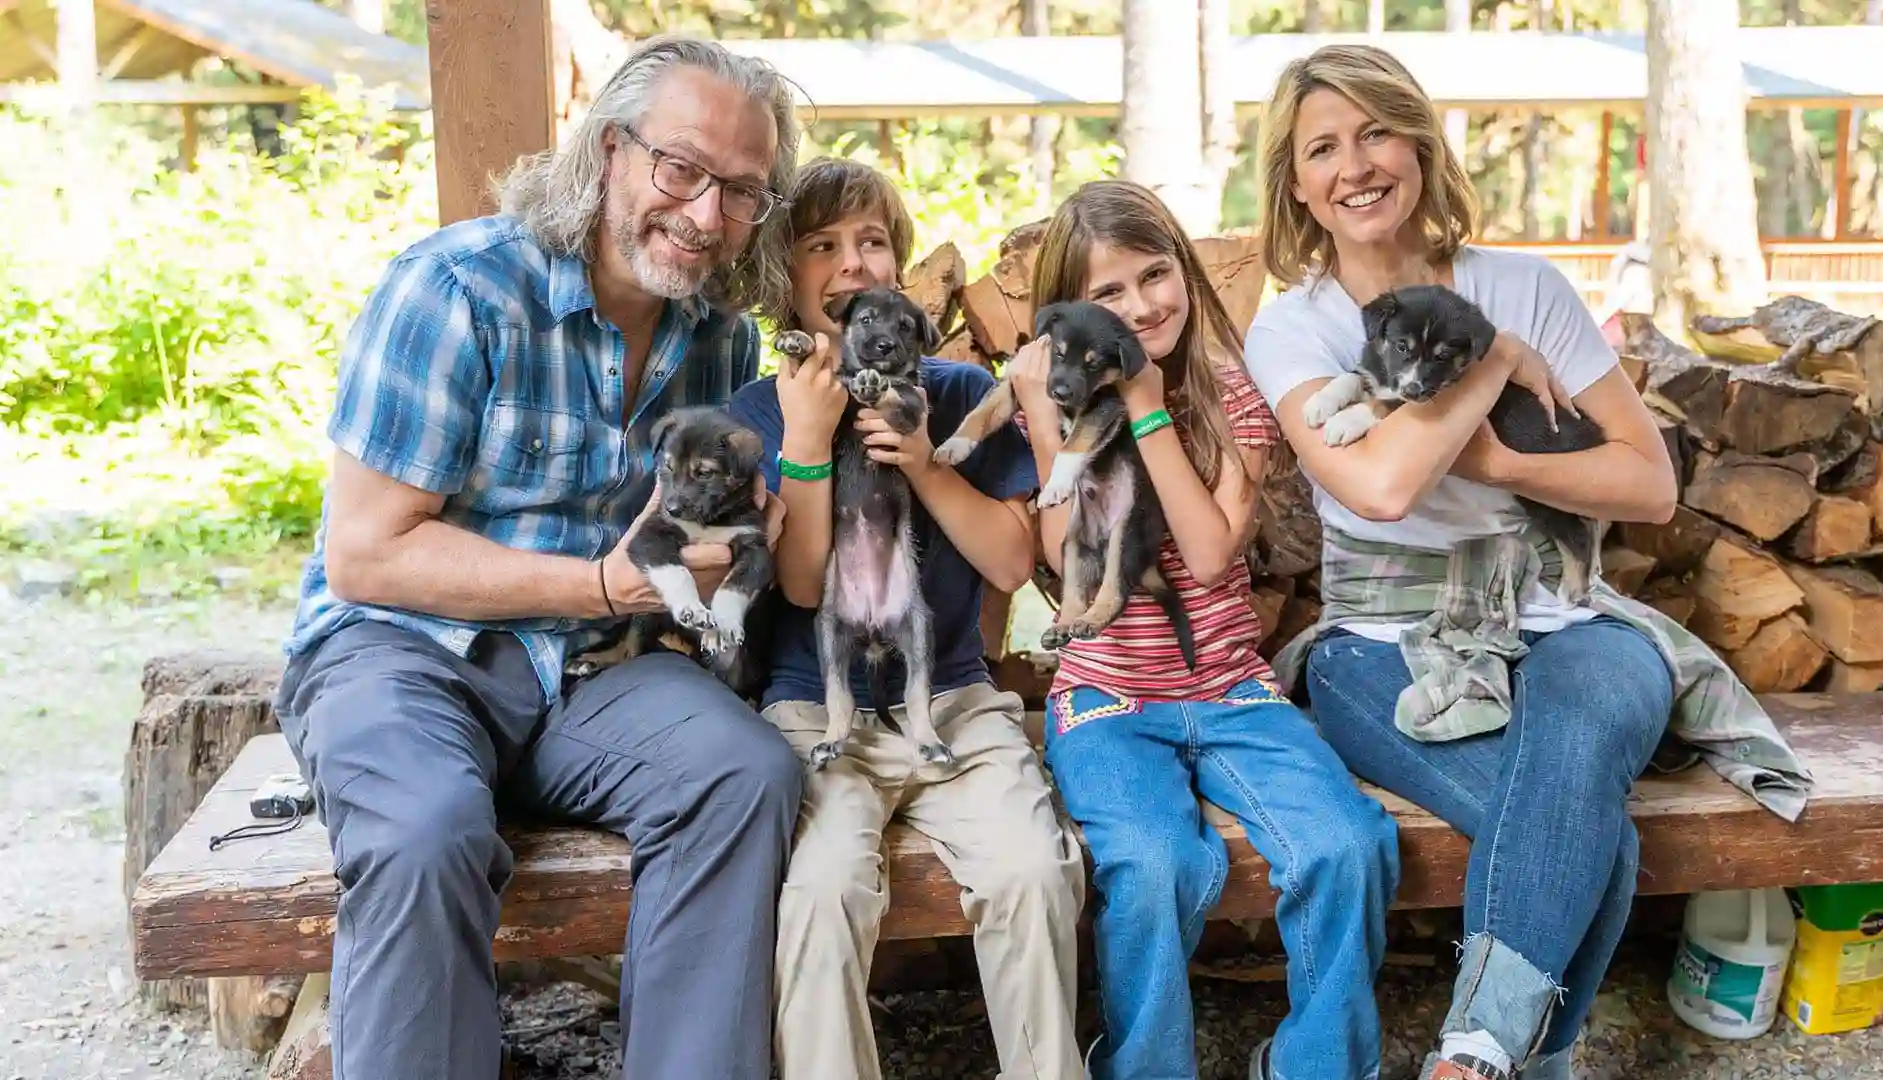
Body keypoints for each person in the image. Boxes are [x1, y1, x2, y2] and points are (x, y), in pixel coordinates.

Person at [1242, 44, 1814, 1080]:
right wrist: (1498, 360)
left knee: (1584, 723)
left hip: (1564, 614)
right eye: (1323, 147)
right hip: (1378, 645)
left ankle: (1472, 1054)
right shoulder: (1292, 327)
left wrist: (1502, 458)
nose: (1356, 163)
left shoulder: (1526, 283)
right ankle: (1524, 1062)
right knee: (1595, 826)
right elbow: (1380, 489)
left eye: (1376, 130)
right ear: (1296, 183)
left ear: (1418, 141)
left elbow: (1649, 484)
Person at [271, 36, 811, 1080]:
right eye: (681, 169)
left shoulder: (719, 340)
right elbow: (365, 558)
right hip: (404, 651)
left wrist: (744, 544)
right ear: (611, 150)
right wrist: (606, 583)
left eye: (742, 191)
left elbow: (692, 554)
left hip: (599, 670)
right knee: (425, 829)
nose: (705, 216)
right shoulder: (458, 288)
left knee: (742, 775)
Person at [1004, 178, 1402, 1080]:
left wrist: (1146, 407)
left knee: (1347, 844)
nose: (1143, 305)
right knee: (1151, 864)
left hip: (1231, 691)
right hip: (1108, 697)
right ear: (1069, 311)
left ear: (1186, 270)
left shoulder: (1238, 400)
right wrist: (1042, 419)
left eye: (1156, 274)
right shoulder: (1059, 402)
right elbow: (1064, 552)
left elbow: (1211, 552)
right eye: (1110, 293)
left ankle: (1316, 1065)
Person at [725, 156, 1088, 1080]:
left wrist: (928, 463)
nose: (853, 262)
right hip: (816, 710)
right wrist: (807, 449)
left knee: (1033, 873)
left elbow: (1013, 559)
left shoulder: (961, 395)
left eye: (873, 241)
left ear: (899, 269)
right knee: (817, 893)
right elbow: (803, 591)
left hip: (956, 698)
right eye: (823, 247)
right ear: (788, 277)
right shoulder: (756, 414)